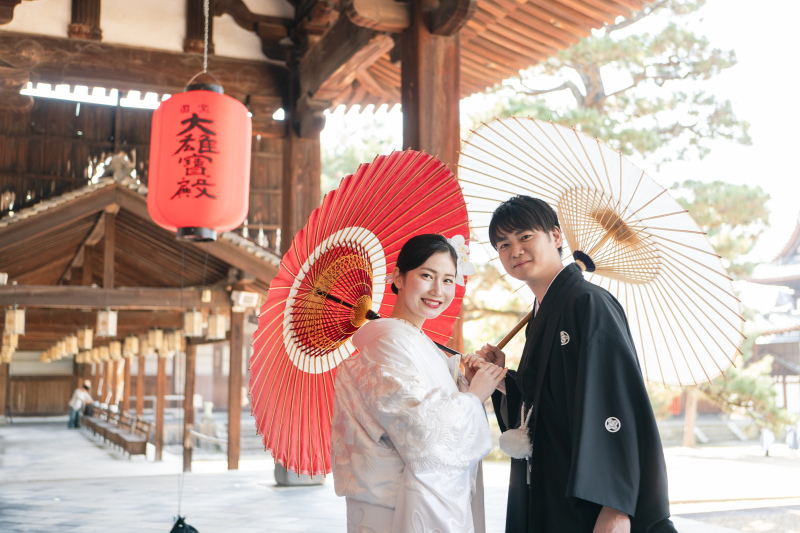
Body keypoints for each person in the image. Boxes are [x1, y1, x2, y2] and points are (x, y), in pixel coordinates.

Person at [466, 196, 677, 533]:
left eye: (525, 237)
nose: (514, 250)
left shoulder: (589, 303)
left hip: (588, 497)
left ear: (556, 236)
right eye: (503, 244)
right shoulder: (541, 314)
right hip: (551, 481)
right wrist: (502, 379)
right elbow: (545, 404)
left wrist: (615, 504)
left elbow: (615, 403)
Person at [331, 234, 507, 533]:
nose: (438, 290)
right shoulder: (389, 342)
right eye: (427, 275)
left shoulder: (414, 341)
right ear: (398, 277)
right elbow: (422, 435)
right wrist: (472, 398)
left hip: (410, 499)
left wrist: (467, 385)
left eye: (449, 280)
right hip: (396, 505)